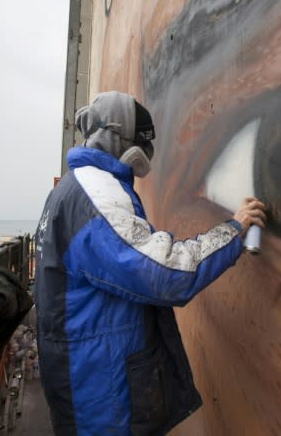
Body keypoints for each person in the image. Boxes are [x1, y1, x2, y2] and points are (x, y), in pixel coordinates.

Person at [34, 91, 266, 436]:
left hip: (81, 374)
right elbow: (163, 274)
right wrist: (233, 232)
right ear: (121, 137)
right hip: (98, 391)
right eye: (145, 142)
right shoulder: (96, 195)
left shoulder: (70, 188)